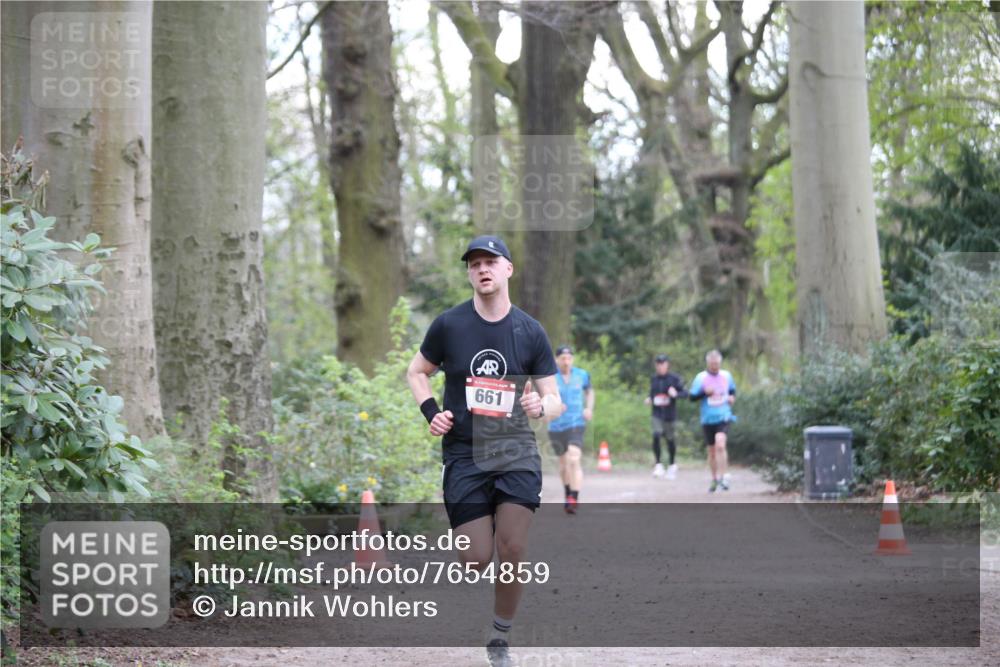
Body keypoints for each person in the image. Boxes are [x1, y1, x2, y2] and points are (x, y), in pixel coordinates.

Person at [406, 235, 561, 667]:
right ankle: (480, 522)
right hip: (464, 454)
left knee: (512, 547)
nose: (482, 269)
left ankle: (499, 636)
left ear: (508, 269)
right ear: (469, 274)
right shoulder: (449, 325)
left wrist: (540, 405)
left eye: (490, 261)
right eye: (474, 264)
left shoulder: (530, 331)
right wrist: (431, 412)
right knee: (475, 559)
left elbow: (555, 399)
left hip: (515, 452)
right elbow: (417, 371)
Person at [547, 345, 594, 514]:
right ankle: (568, 493)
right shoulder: (550, 377)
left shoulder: (582, 375)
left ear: (572, 359)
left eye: (569, 358)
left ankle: (574, 496)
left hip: (576, 423)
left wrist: (588, 408)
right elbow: (544, 398)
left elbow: (590, 392)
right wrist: (554, 407)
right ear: (556, 360)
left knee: (573, 458)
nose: (566, 362)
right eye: (563, 358)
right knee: (563, 464)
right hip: (556, 425)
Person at [688, 349, 736, 492]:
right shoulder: (700, 377)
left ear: (720, 362)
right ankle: (714, 479)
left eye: (717, 363)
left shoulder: (726, 375)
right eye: (712, 364)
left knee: (720, 443)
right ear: (708, 363)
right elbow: (691, 397)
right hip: (708, 418)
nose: (715, 366)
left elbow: (732, 390)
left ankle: (724, 476)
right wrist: (704, 393)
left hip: (724, 415)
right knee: (712, 451)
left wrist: (732, 398)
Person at [643, 354, 686, 479]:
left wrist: (676, 394)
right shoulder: (654, 379)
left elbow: (685, 393)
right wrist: (649, 399)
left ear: (667, 365)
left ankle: (672, 464)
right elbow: (653, 394)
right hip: (656, 413)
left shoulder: (674, 379)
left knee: (670, 439)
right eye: (658, 364)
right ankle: (658, 465)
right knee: (656, 435)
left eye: (663, 364)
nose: (660, 367)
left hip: (669, 414)